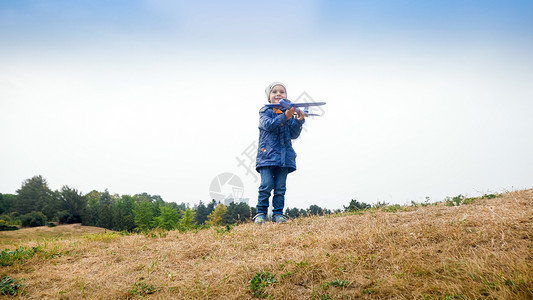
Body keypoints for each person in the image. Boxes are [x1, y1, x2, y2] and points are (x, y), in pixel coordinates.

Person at [253, 82, 305, 224]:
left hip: (284, 157)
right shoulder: (264, 111)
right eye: (274, 91)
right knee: (266, 185)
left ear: (286, 96)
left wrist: (299, 121)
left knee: (280, 187)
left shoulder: (287, 113)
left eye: (282, 92)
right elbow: (269, 125)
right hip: (267, 157)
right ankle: (261, 213)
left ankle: (278, 214)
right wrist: (285, 117)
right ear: (269, 97)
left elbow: (293, 134)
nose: (278, 94)